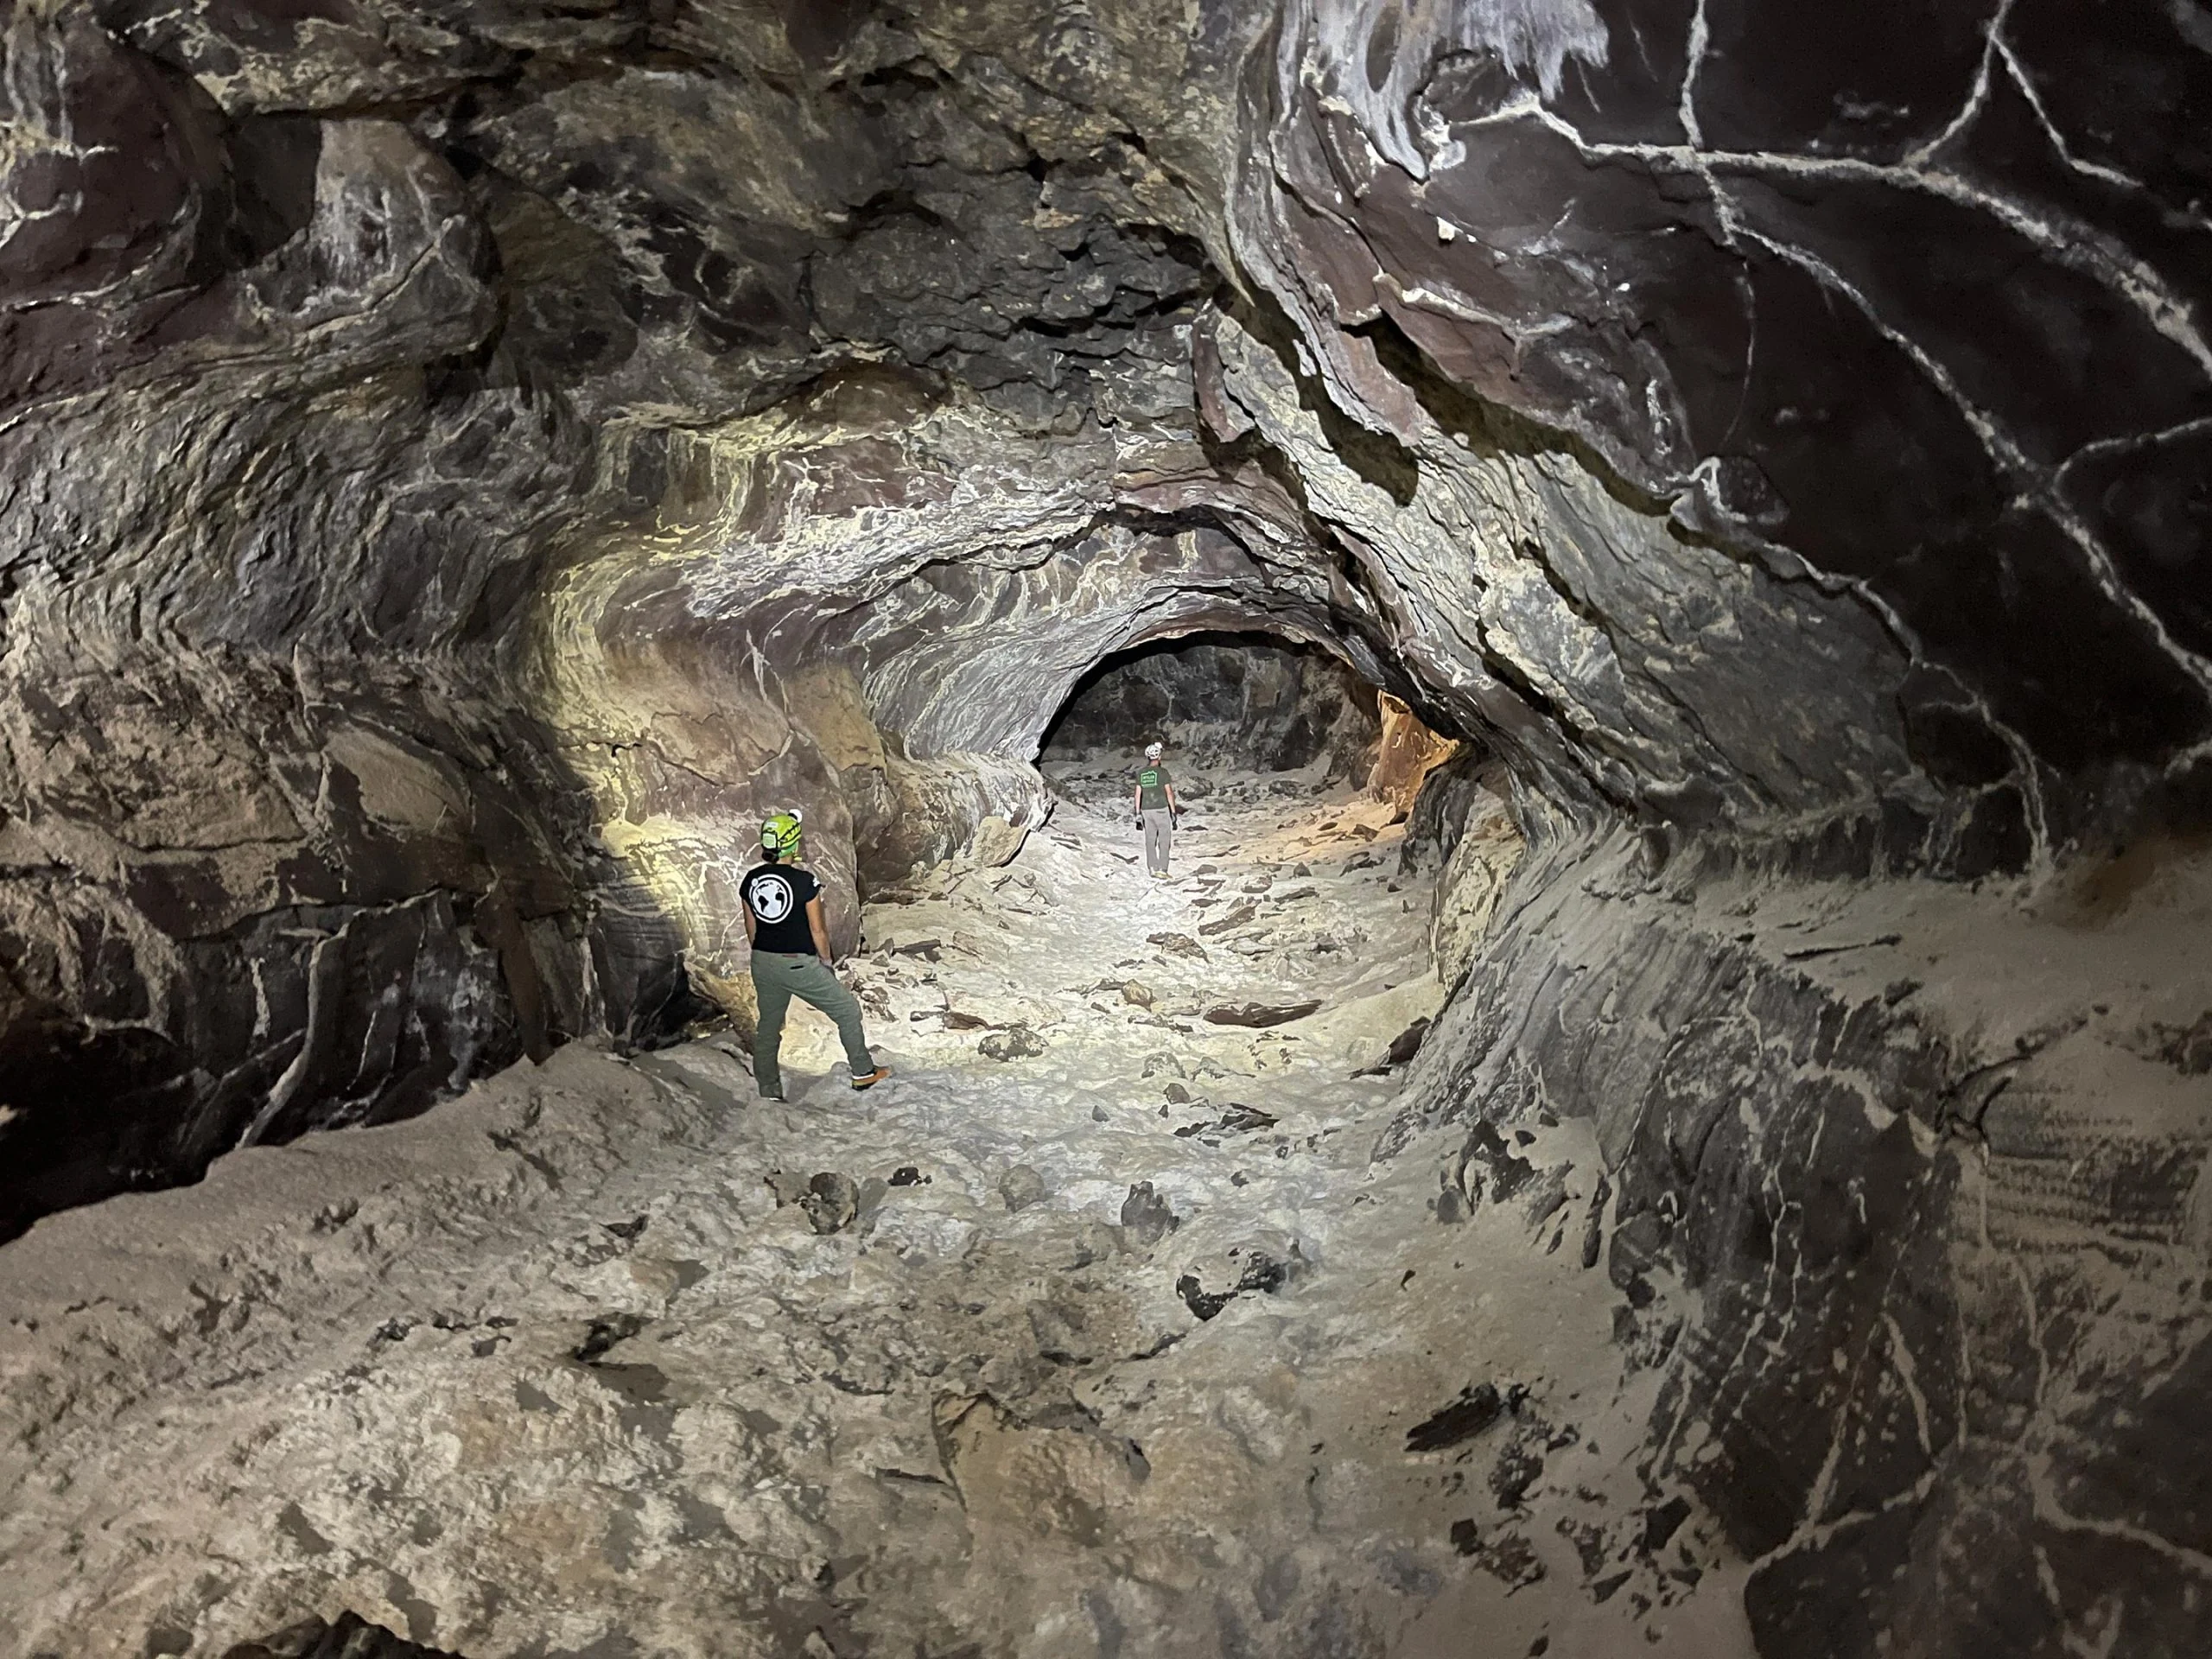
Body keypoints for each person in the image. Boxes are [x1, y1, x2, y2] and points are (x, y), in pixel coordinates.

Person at [740, 808, 891, 1100]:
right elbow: (818, 931)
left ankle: (769, 1090)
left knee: (769, 1025)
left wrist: (767, 955)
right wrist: (825, 963)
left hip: (763, 960)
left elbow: (752, 929)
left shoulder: (751, 880)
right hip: (798, 963)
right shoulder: (804, 882)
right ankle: (863, 1073)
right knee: (847, 1011)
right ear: (792, 844)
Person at [1131, 741, 1181, 879]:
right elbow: (1169, 793)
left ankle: (1152, 868)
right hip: (1161, 809)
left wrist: (1137, 813)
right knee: (1164, 840)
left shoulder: (1141, 773)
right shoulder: (1163, 772)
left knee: (1150, 840)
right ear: (1159, 757)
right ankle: (1163, 869)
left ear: (1148, 757)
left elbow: (1137, 795)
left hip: (1146, 810)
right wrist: (1173, 812)